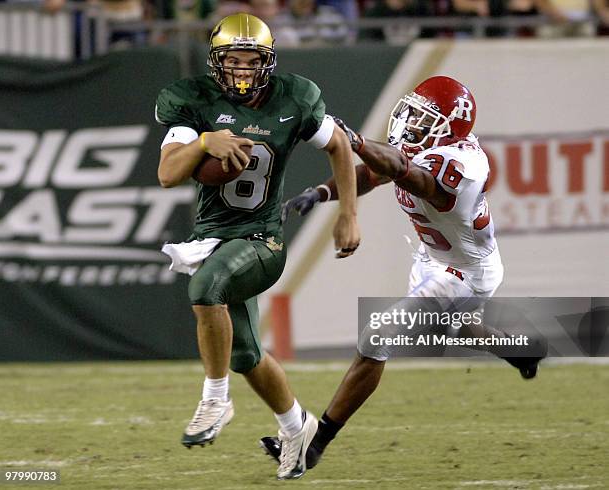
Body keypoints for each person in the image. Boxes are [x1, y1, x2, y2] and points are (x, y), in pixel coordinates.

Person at [259, 76, 547, 470]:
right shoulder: (427, 146)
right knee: (452, 327)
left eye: (424, 117)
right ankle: (519, 350)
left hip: (466, 272)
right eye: (412, 113)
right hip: (433, 260)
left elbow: (410, 175)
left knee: (376, 338)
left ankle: (313, 444)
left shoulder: (462, 164)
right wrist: (322, 192)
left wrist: (356, 141)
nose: (412, 122)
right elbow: (375, 174)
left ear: (450, 127)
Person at [154, 13, 360, 480]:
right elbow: (168, 174)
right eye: (233, 60)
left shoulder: (294, 97)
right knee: (246, 354)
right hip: (214, 239)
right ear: (216, 62)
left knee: (206, 289)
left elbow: (341, 146)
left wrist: (348, 213)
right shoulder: (193, 101)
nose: (242, 70)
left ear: (268, 62)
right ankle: (297, 428)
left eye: (252, 60)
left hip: (263, 238)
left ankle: (214, 400)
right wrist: (208, 139)